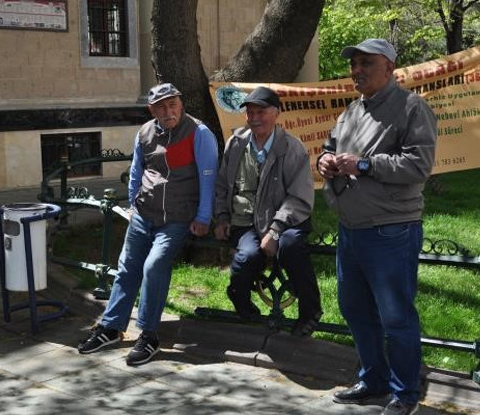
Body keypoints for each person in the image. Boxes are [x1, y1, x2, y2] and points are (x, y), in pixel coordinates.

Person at [316, 39, 437, 415]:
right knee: (355, 310)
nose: (357, 70)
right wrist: (324, 161)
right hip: (351, 228)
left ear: (389, 68)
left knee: (396, 317)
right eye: (354, 64)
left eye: (366, 63)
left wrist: (365, 165)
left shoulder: (412, 107)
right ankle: (374, 379)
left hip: (390, 230)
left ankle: (405, 394)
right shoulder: (352, 110)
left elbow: (418, 165)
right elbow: (329, 145)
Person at [77, 83, 218, 366]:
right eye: (161, 107)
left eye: (172, 104)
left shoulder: (199, 133)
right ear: (152, 110)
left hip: (177, 218)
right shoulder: (145, 132)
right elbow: (136, 171)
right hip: (143, 214)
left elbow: (208, 178)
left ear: (181, 104)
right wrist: (133, 204)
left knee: (153, 266)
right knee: (127, 267)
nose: (168, 111)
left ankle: (149, 335)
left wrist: (204, 217)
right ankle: (111, 327)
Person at [214, 86, 322, 337]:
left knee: (291, 247)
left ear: (276, 113)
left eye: (260, 112)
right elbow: (222, 185)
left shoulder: (292, 148)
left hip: (286, 221)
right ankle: (240, 300)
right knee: (247, 257)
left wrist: (274, 231)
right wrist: (221, 216)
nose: (254, 118)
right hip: (246, 221)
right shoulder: (236, 143)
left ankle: (310, 311)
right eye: (250, 112)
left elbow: (299, 198)